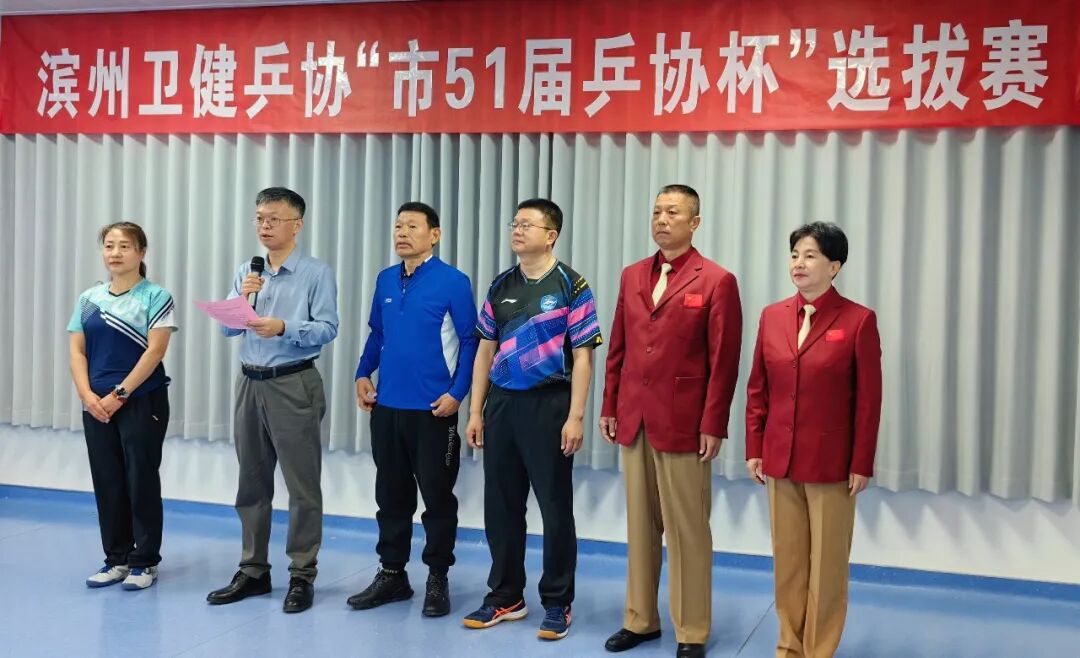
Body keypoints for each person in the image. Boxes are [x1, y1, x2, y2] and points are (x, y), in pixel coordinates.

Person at [599, 185, 743, 658]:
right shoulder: (632, 275)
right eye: (657, 211)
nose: (662, 219)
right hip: (634, 417)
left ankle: (692, 630)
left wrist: (713, 423)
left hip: (685, 422)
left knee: (687, 530)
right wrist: (609, 405)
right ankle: (639, 619)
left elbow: (724, 361)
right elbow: (618, 345)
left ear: (694, 222)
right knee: (640, 527)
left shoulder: (716, 281)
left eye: (673, 212)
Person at [462, 198, 602, 641]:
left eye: (527, 224)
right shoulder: (501, 284)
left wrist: (575, 416)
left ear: (551, 235)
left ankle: (558, 601)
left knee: (555, 507)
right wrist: (476, 410)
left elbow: (584, 358)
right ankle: (506, 595)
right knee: (501, 505)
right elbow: (485, 350)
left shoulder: (572, 285)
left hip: (550, 406)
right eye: (515, 223)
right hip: (503, 405)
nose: (518, 230)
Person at [745, 221, 882, 658]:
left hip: (832, 463)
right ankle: (788, 646)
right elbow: (757, 388)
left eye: (810, 256)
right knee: (788, 563)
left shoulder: (858, 320)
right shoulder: (772, 316)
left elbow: (868, 400)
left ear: (834, 266)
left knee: (826, 566)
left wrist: (861, 461)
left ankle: (818, 650)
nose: (798, 264)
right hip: (779, 458)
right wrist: (754, 447)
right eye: (794, 255)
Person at [206, 187, 339, 614]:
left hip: (293, 382)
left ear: (296, 225)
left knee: (302, 486)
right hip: (249, 382)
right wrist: (241, 298)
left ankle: (302, 574)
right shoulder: (248, 269)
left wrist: (284, 327)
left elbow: (328, 328)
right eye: (260, 218)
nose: (264, 226)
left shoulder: (316, 272)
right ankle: (253, 570)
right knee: (251, 483)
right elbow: (229, 328)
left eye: (273, 219)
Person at [346, 202, 478, 617]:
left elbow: (471, 342)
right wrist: (362, 373)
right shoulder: (385, 278)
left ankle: (437, 577)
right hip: (387, 407)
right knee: (391, 495)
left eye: (412, 226)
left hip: (434, 411)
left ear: (434, 235)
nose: (402, 233)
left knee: (437, 498)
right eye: (398, 225)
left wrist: (458, 394)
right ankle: (392, 574)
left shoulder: (453, 281)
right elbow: (377, 333)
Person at [68, 221, 177, 591]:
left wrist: (119, 395)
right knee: (108, 480)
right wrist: (87, 396)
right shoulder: (89, 299)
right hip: (96, 405)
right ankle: (116, 558)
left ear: (141, 252)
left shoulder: (156, 296)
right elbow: (77, 350)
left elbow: (155, 351)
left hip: (141, 400)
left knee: (139, 478)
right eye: (109, 245)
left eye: (125, 246)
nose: (115, 253)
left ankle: (144, 562)